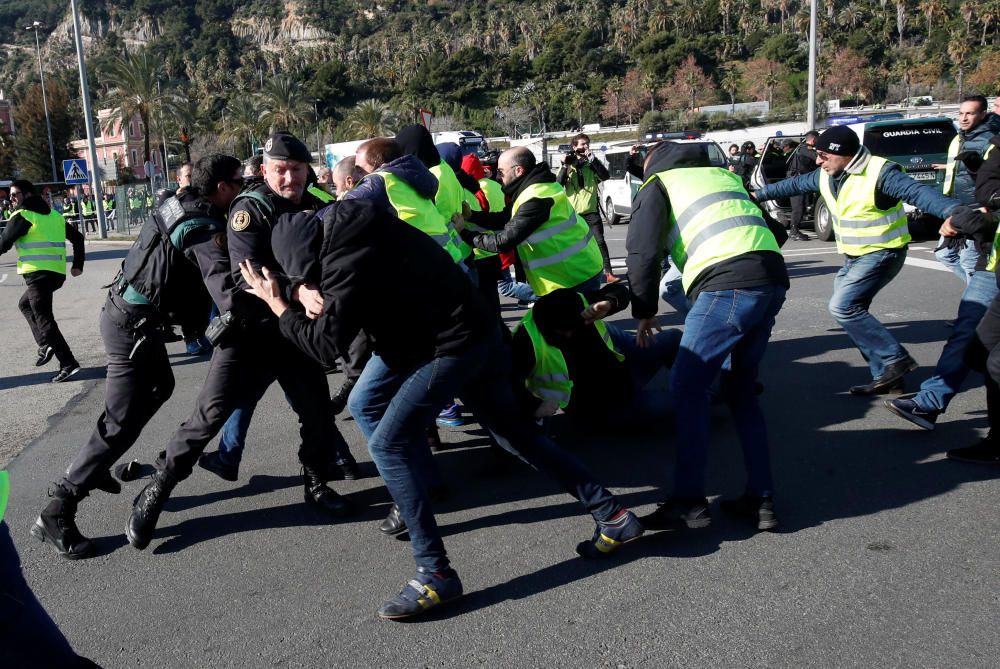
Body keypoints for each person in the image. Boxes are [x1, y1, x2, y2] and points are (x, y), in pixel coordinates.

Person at [240, 197, 644, 621]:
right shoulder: (356, 222)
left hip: (447, 345)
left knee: (389, 443)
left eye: (310, 273)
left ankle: (435, 574)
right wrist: (304, 287)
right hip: (461, 329)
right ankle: (612, 515)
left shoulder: (345, 258)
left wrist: (280, 305)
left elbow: (324, 345)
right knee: (509, 432)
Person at [125, 133, 358, 550]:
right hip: (250, 335)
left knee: (317, 415)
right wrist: (297, 290)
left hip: (293, 335)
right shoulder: (249, 211)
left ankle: (316, 481)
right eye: (280, 169)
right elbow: (241, 279)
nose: (289, 177)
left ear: (308, 170)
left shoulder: (318, 205)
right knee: (206, 420)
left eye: (297, 169)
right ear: (265, 170)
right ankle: (157, 490)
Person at [30, 155, 245, 558]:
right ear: (221, 187)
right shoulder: (200, 227)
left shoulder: (180, 201)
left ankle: (95, 470)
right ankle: (57, 509)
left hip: (129, 317)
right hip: (131, 327)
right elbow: (222, 283)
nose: (244, 185)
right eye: (240, 180)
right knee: (119, 422)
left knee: (161, 387)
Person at [627, 140, 788, 532]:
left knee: (686, 387)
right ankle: (760, 499)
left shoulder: (659, 183)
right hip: (770, 280)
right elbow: (776, 232)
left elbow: (641, 251)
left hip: (726, 287)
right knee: (741, 393)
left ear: (653, 161)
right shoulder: (722, 176)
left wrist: (644, 311)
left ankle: (688, 502)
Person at [754, 125, 970, 394]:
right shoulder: (828, 174)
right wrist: (756, 195)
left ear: (843, 154)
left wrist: (954, 211)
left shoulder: (881, 173)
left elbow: (919, 194)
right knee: (853, 315)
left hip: (883, 252)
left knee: (842, 306)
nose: (818, 161)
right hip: (855, 256)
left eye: (823, 155)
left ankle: (894, 359)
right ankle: (888, 379)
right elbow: (795, 183)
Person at [885, 136, 1000, 430]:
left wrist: (976, 220)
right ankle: (929, 403)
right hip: (992, 259)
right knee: (969, 337)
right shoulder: (989, 144)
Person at [511, 282, 679, 426]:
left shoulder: (579, 303)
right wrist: (534, 406)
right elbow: (504, 382)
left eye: (575, 327)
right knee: (683, 401)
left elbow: (619, 290)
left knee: (674, 338)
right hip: (599, 408)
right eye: (564, 331)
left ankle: (689, 384)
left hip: (623, 373)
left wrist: (609, 303)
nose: (570, 334)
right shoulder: (526, 340)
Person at [461, 147, 605, 297]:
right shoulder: (535, 187)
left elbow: (503, 242)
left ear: (518, 170)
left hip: (574, 275)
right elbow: (505, 217)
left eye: (501, 172)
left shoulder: (535, 198)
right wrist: (472, 216)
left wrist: (464, 233)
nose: (498, 177)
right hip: (576, 268)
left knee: (581, 319)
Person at [0, 179, 85, 383]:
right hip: (55, 275)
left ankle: (68, 363)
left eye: (15, 194)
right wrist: (77, 265)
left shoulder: (23, 215)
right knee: (24, 304)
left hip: (38, 275)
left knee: (46, 321)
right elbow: (78, 238)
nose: (11, 199)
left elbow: (3, 243)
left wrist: (78, 264)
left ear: (28, 194)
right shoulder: (54, 215)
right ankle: (45, 344)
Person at [933, 95, 997, 282]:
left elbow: (991, 177)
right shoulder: (959, 137)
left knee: (969, 262)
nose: (964, 118)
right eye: (961, 113)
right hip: (958, 206)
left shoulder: (989, 141)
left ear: (983, 114)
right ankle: (979, 293)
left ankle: (979, 300)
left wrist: (988, 205)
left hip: (977, 209)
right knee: (944, 255)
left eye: (970, 113)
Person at [557, 133, 616, 282]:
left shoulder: (591, 165)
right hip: (573, 215)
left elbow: (605, 176)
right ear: (574, 147)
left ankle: (608, 273)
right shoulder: (568, 166)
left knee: (599, 242)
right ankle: (577, 275)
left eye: (587, 144)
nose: (585, 147)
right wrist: (565, 165)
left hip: (591, 212)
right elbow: (558, 184)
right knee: (574, 247)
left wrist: (593, 159)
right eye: (582, 144)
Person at [786, 130, 819, 241]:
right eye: (817, 139)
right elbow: (816, 158)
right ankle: (794, 232)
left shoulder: (803, 148)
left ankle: (795, 230)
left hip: (799, 180)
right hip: (796, 180)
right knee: (798, 207)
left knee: (802, 206)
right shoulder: (805, 148)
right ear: (813, 139)